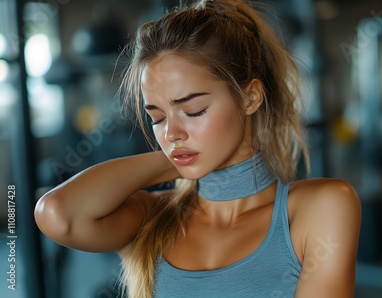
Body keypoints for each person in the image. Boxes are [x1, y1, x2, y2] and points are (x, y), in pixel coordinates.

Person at [34, 0, 361, 297]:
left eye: (193, 111)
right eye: (158, 117)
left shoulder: (319, 208)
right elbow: (57, 213)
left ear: (250, 97)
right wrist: (175, 160)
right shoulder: (151, 217)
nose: (172, 133)